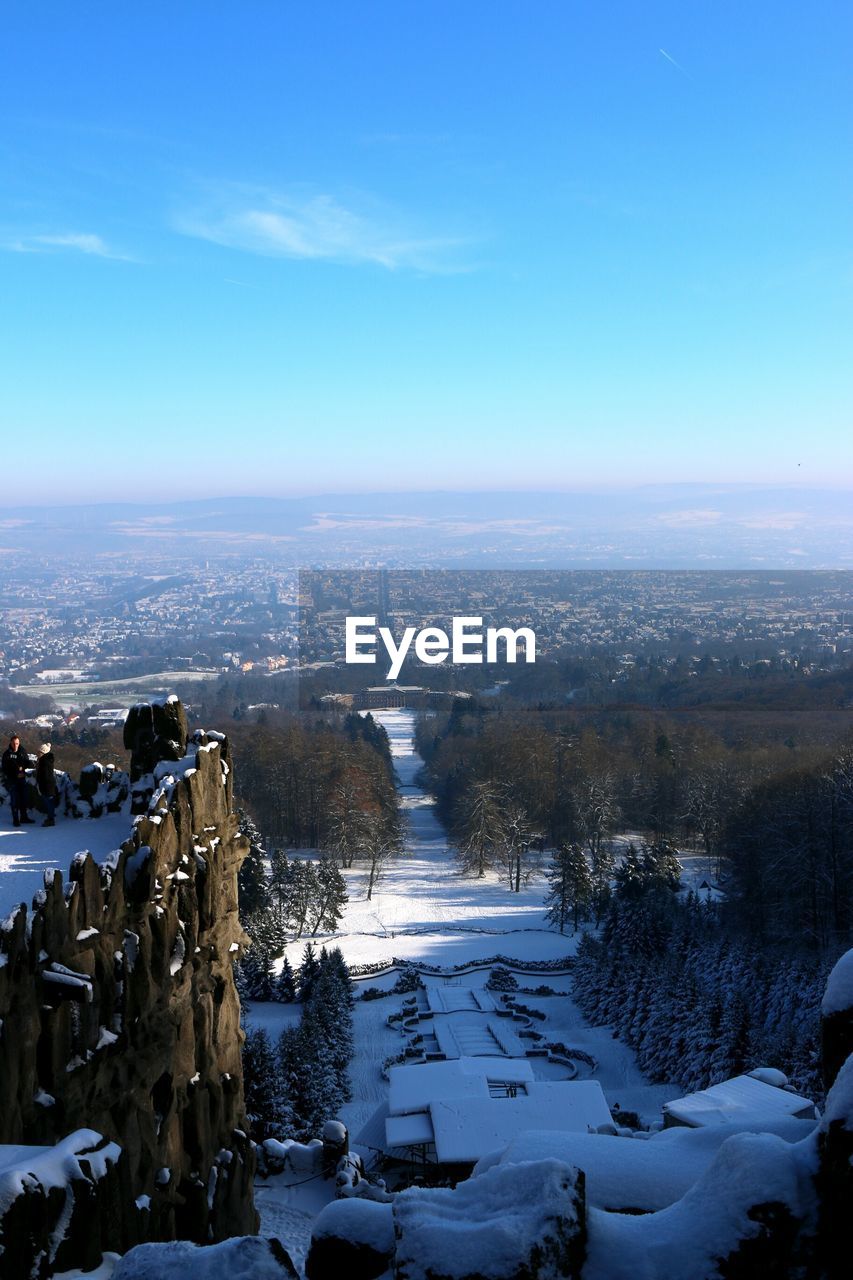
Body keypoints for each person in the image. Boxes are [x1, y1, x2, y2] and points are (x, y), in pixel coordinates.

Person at [2, 733, 34, 827]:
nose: (16, 745)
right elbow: (5, 769)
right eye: (14, 743)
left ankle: (24, 818)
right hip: (12, 780)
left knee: (23, 799)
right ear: (10, 743)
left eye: (17, 743)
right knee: (14, 800)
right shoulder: (7, 754)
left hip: (22, 779)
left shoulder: (22, 751)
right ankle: (16, 819)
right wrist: (15, 772)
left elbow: (27, 763)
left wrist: (26, 766)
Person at [36, 743, 58, 827]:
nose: (37, 753)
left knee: (49, 802)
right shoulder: (47, 760)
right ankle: (51, 816)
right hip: (49, 785)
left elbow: (44, 775)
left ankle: (51, 819)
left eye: (39, 752)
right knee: (49, 802)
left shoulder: (44, 761)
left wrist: (40, 783)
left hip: (46, 785)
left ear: (43, 752)